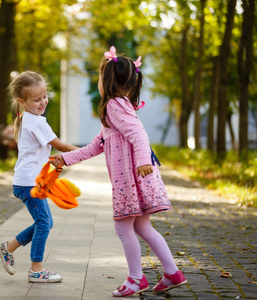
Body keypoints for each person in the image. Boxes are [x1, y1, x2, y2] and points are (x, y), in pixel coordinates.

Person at [50, 47, 187, 296]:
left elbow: (138, 133)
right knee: (143, 228)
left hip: (133, 178)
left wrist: (143, 160)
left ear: (107, 80)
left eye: (100, 78)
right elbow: (96, 146)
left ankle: (136, 279)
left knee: (123, 228)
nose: (98, 83)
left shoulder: (114, 105)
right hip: (135, 177)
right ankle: (172, 273)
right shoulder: (116, 107)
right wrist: (65, 159)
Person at [0, 71, 78, 283]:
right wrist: (88, 151)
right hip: (29, 183)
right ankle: (36, 269)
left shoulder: (28, 118)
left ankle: (8, 248)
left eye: (44, 97)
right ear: (21, 102)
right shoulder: (37, 122)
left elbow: (39, 151)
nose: (43, 102)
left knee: (46, 223)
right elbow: (59, 145)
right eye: (36, 99)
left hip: (27, 181)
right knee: (43, 222)